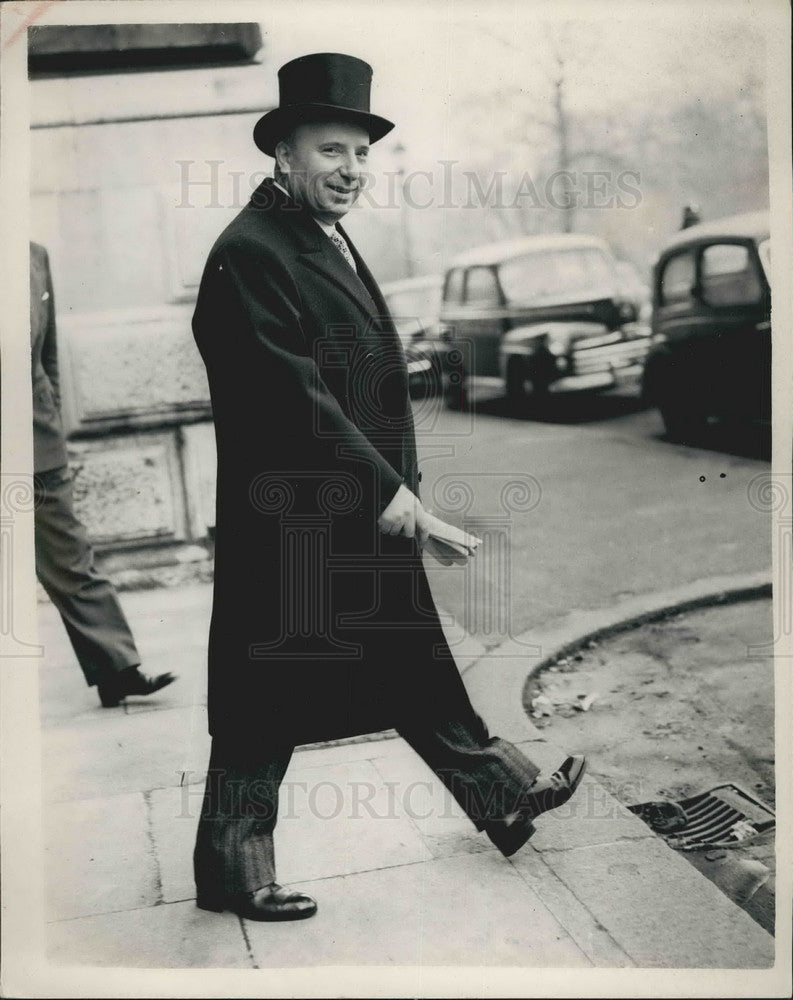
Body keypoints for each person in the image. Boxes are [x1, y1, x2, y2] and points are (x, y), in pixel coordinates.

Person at [190, 52, 586, 922]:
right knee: (265, 696)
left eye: (360, 153)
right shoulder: (250, 251)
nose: (350, 170)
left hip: (345, 508)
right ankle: (230, 866)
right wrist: (389, 493)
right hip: (295, 517)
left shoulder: (310, 235)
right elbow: (288, 393)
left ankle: (505, 793)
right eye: (331, 151)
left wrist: (388, 491)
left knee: (410, 663)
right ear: (282, 154)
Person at [30, 241, 177, 708]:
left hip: (35, 443)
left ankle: (118, 669)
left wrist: (50, 419)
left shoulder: (32, 255)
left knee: (70, 559)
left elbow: (47, 353)